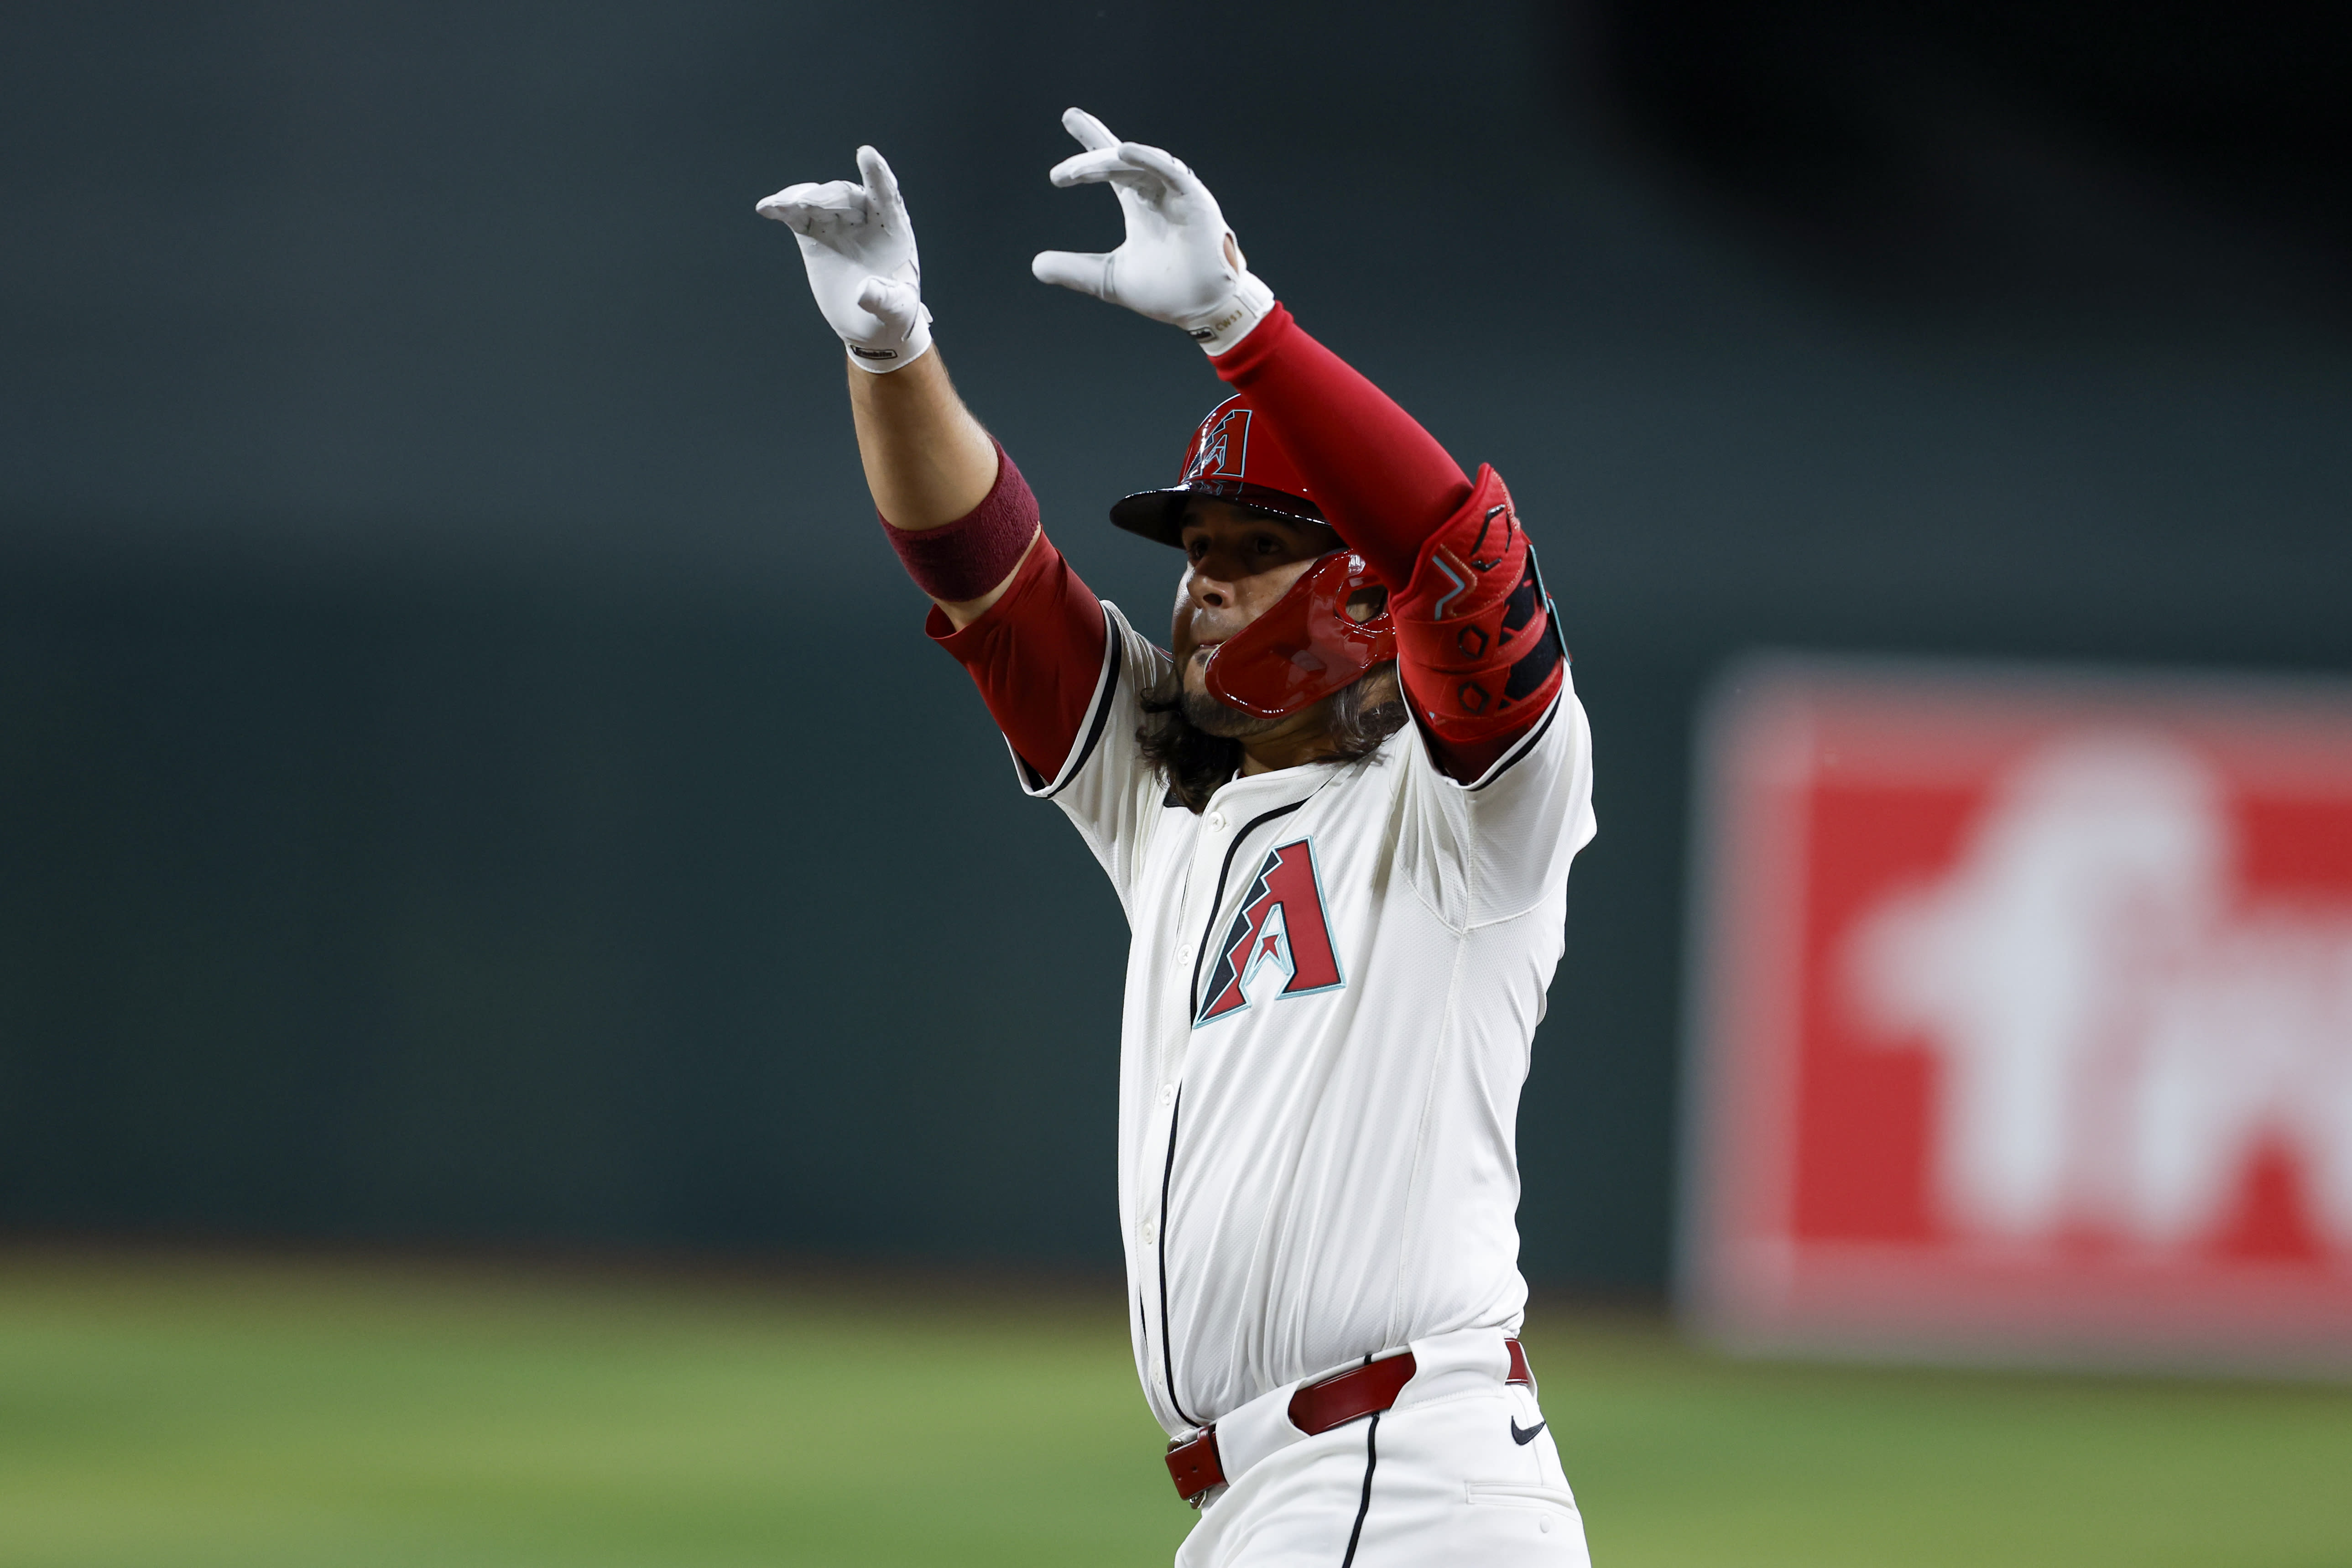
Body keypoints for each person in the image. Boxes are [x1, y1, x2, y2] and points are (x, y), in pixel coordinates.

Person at [759, 108, 1597, 1568]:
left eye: (1250, 555)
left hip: (1399, 1482)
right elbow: (989, 579)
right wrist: (894, 357)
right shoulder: (1168, 798)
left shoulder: (1473, 811)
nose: (1200, 590)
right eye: (1195, 556)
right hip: (1274, 1499)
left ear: (1356, 596)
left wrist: (1242, 321)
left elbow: (1459, 555)